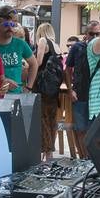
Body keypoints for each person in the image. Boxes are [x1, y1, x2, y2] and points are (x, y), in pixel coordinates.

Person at [26, 22, 65, 159]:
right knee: (51, 119)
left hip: (42, 86)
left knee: (42, 119)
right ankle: (49, 153)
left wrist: (29, 63)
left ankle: (47, 152)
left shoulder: (43, 41)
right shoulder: (56, 45)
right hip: (53, 89)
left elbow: (39, 61)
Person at [0, 6, 34, 96]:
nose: (10, 27)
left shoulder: (20, 44)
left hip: (16, 95)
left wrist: (29, 87)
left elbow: (34, 64)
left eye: (13, 24)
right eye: (6, 24)